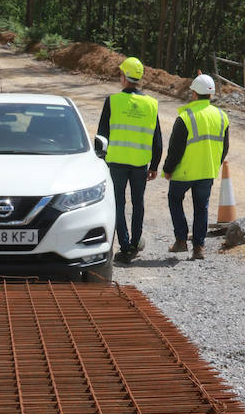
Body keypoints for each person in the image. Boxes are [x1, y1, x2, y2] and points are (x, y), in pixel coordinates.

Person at [96, 56, 161, 264]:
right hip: (140, 163)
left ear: (124, 77)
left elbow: (102, 135)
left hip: (115, 162)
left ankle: (124, 246)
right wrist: (155, 165)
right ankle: (135, 242)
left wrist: (100, 160)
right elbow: (157, 139)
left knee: (118, 203)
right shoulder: (151, 104)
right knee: (138, 203)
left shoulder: (112, 101)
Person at [162, 73, 229, 260]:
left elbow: (175, 148)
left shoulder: (185, 117)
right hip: (207, 170)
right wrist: (214, 163)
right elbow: (225, 148)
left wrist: (168, 169)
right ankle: (199, 247)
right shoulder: (222, 117)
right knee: (202, 207)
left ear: (193, 94)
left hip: (184, 171)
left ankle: (181, 241)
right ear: (211, 95)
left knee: (175, 200)